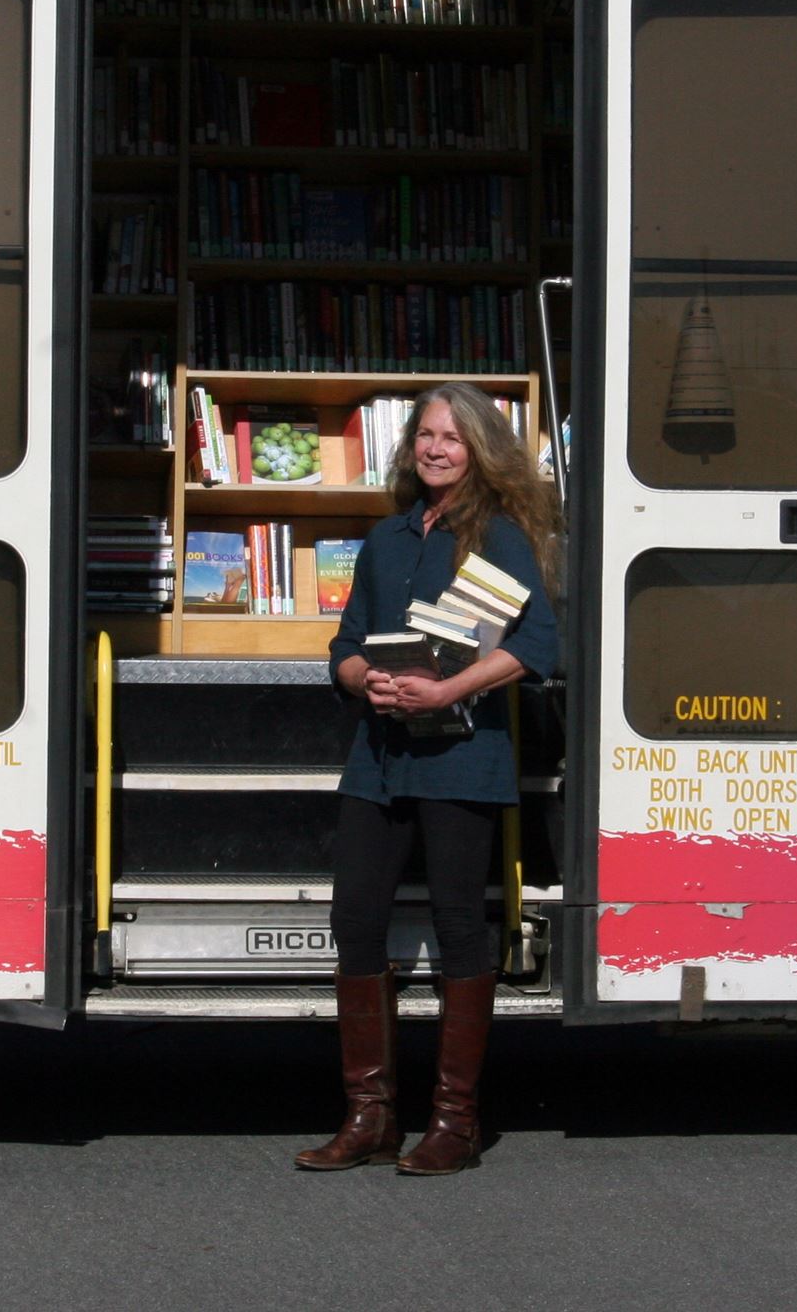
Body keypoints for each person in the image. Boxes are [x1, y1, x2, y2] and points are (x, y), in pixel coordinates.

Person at [297, 381, 561, 1175]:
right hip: (378, 759)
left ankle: (455, 1123)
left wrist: (448, 689)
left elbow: (539, 643)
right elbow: (344, 642)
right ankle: (370, 1118)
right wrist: (358, 679)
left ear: (479, 450)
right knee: (356, 926)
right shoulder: (384, 540)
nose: (437, 449)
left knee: (456, 929)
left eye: (453, 437)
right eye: (426, 437)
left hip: (462, 757)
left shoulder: (503, 538)